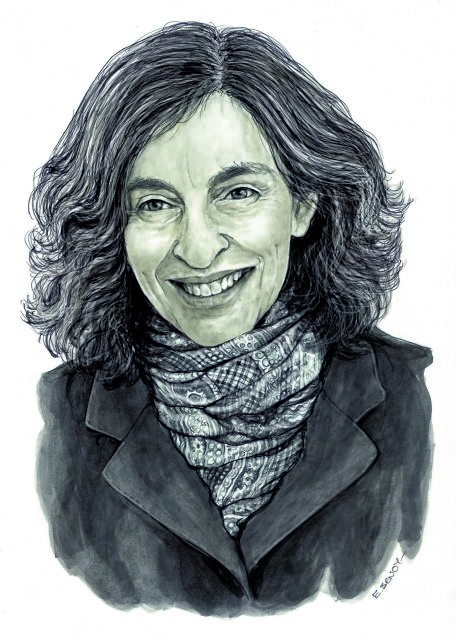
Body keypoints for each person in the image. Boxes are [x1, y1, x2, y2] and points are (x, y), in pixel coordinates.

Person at [25, 22, 432, 616]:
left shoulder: (417, 399)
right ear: (112, 229)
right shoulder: (53, 420)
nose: (197, 249)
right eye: (155, 204)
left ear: (304, 203)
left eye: (238, 192)